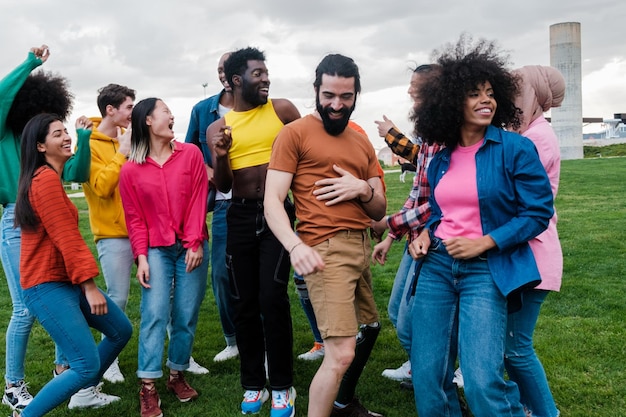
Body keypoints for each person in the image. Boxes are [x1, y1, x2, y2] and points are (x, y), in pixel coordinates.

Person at [407, 37, 554, 417]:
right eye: (474, 94)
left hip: (486, 271)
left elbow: (538, 212)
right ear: (452, 101)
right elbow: (442, 210)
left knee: (481, 380)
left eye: (490, 93)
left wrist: (485, 242)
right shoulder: (442, 157)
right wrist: (424, 233)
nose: (485, 100)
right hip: (437, 267)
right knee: (427, 376)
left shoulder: (515, 149)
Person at [264, 53, 386, 417]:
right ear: (316, 90)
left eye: (345, 97)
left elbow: (378, 209)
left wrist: (362, 190)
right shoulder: (295, 133)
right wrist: (294, 244)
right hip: (324, 250)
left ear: (356, 94)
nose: (336, 104)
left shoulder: (361, 140)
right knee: (340, 353)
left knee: (367, 330)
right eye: (328, 95)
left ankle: (344, 404)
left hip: (359, 247)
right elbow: (272, 200)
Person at [0, 45, 109, 412]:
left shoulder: (45, 157)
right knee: (24, 309)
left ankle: (68, 372)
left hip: (50, 212)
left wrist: (84, 139)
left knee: (65, 296)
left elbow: (76, 173)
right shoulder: (5, 137)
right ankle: (13, 386)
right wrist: (30, 63)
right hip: (19, 220)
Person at [12, 113, 132, 417]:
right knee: (85, 364)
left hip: (65, 281)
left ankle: (82, 393)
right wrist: (90, 287)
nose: (66, 137)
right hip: (46, 286)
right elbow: (67, 238)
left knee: (120, 330)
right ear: (40, 146)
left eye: (65, 131)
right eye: (57, 134)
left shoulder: (50, 178)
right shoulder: (45, 181)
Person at [208, 46, 300, 417]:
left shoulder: (283, 110)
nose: (266, 79)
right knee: (243, 302)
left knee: (272, 298)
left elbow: (308, 153)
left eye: (266, 72)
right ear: (235, 80)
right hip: (240, 216)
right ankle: (253, 385)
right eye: (257, 74)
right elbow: (225, 185)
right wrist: (221, 155)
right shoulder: (219, 126)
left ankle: (282, 386)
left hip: (278, 214)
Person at [119, 98, 209, 417]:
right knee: (155, 313)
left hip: (191, 245)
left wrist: (196, 242)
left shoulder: (191, 155)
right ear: (147, 121)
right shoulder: (130, 169)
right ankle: (147, 387)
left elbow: (200, 199)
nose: (172, 116)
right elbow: (134, 218)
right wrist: (141, 257)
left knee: (185, 315)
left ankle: (176, 375)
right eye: (165, 111)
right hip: (156, 249)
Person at [371, 64, 443, 387]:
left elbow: (437, 203)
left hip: (434, 243)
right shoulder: (430, 134)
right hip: (414, 240)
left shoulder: (447, 137)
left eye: (416, 87)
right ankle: (426, 368)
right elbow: (417, 190)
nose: (410, 92)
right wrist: (391, 235)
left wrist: (388, 221)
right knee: (399, 314)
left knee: (411, 321)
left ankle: (436, 372)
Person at [504, 65, 565, 417]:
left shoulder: (539, 137)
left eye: (517, 91)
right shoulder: (532, 133)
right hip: (522, 254)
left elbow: (515, 195)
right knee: (506, 348)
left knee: (516, 348)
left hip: (534, 256)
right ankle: (525, 408)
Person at [185, 52, 238, 365]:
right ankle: (232, 340)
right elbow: (189, 151)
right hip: (221, 205)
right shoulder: (202, 110)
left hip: (257, 201)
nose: (222, 74)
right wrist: (210, 173)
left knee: (259, 276)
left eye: (227, 69)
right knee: (221, 274)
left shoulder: (260, 108)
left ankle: (263, 337)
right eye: (219, 69)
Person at [80, 83, 136, 385]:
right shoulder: (87, 143)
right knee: (118, 299)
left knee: (164, 295)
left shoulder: (131, 137)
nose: (133, 112)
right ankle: (109, 360)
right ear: (110, 110)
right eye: (128, 107)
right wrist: (122, 154)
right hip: (113, 235)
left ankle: (180, 359)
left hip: (144, 232)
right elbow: (101, 187)